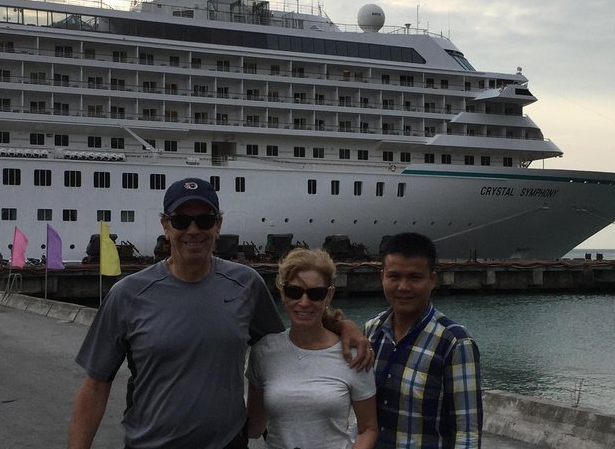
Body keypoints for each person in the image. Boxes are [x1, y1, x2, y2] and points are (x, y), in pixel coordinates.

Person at [68, 177, 372, 449]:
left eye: (204, 220)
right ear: (165, 225)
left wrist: (342, 325)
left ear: (218, 225)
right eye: (181, 221)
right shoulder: (128, 294)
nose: (193, 230)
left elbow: (290, 338)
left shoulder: (245, 284)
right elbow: (96, 384)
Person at [246, 248, 377, 449]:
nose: (304, 302)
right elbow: (254, 427)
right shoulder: (263, 351)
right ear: (283, 293)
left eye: (316, 294)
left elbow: (368, 428)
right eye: (294, 292)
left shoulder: (353, 355)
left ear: (329, 295)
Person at [365, 232, 482, 448]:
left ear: (432, 280)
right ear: (382, 277)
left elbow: (467, 432)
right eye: (394, 276)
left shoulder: (455, 342)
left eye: (414, 277)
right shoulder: (372, 331)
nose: (403, 287)